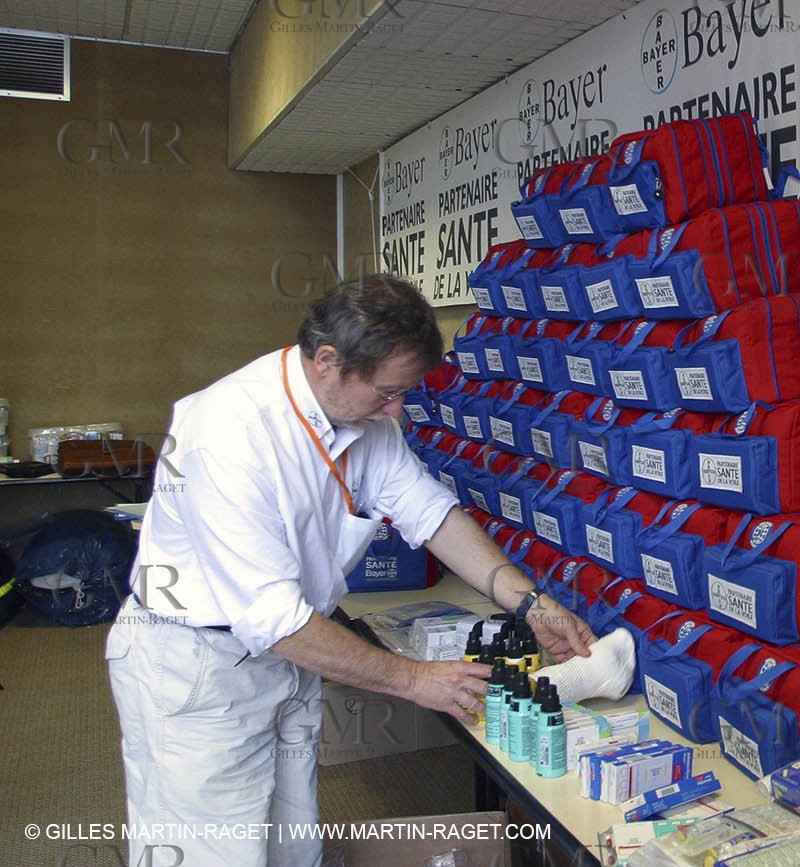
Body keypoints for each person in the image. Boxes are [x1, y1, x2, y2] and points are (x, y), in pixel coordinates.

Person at [106, 275, 607, 867]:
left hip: (287, 657)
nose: (397, 409)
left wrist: (529, 603)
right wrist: (415, 680)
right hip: (200, 668)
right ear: (327, 361)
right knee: (212, 852)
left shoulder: (361, 418)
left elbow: (431, 515)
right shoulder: (224, 434)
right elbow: (272, 618)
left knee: (292, 845)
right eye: (388, 392)